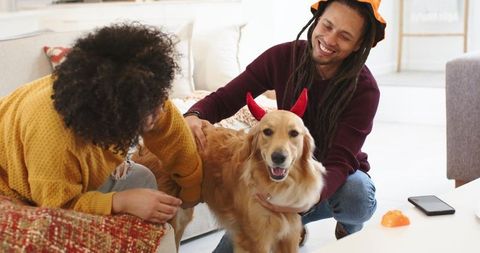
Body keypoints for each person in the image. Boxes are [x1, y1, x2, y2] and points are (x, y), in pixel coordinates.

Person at [183, 0, 386, 250]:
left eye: (345, 36)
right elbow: (227, 98)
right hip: (278, 175)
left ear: (358, 46)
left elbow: (339, 162)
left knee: (356, 196)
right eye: (327, 25)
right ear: (317, 19)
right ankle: (292, 224)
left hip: (328, 177)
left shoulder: (365, 90)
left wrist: (301, 203)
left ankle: (345, 226)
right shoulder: (283, 57)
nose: (330, 40)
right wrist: (194, 114)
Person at [0, 23, 202, 224]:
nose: (160, 110)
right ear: (115, 116)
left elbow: (173, 136)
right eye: (153, 109)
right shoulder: (54, 140)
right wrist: (119, 201)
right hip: (17, 185)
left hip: (61, 165)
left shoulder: (142, 91)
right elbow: (56, 209)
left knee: (144, 179)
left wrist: (191, 189)